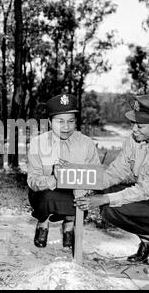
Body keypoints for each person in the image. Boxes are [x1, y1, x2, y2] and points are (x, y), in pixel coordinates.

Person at [75, 94, 149, 264]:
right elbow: (116, 171)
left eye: (140, 126)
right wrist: (89, 181)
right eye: (133, 124)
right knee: (107, 201)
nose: (134, 129)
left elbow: (143, 191)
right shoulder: (135, 140)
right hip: (148, 197)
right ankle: (148, 241)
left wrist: (104, 199)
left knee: (109, 204)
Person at [27, 94, 100, 249]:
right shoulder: (37, 143)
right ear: (49, 122)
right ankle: (43, 222)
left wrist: (79, 183)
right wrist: (55, 178)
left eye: (71, 121)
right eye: (60, 121)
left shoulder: (86, 144)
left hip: (73, 193)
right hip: (46, 192)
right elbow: (33, 181)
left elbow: (95, 176)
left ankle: (69, 225)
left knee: (80, 202)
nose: (66, 127)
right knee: (46, 199)